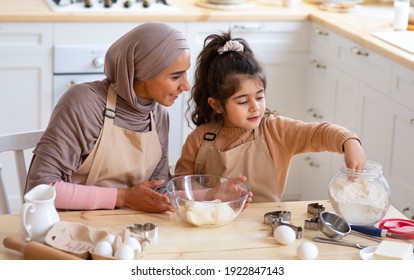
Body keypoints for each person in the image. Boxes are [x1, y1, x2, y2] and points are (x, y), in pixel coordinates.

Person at [174, 31, 366, 203]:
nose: (255, 107)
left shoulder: (274, 130)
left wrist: (348, 141)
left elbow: (316, 133)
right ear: (216, 105)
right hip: (213, 225)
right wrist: (214, 193)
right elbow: (181, 189)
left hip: (266, 225)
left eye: (259, 96)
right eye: (242, 101)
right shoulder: (199, 140)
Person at [25, 22, 191, 213]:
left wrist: (213, 195)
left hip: (130, 229)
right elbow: (41, 188)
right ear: (145, 72)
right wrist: (124, 197)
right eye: (176, 76)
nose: (185, 86)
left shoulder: (157, 115)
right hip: (72, 230)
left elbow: (158, 190)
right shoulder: (85, 103)